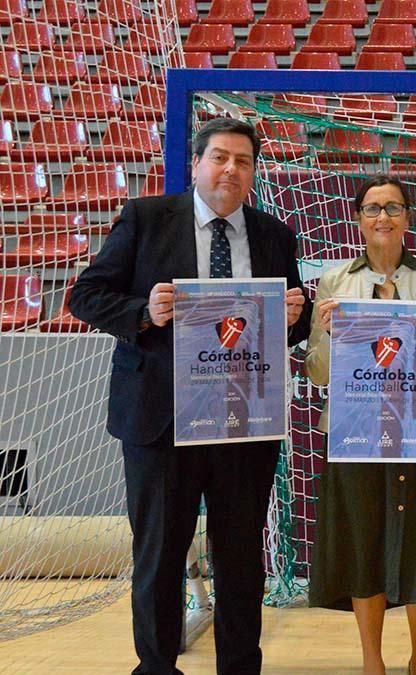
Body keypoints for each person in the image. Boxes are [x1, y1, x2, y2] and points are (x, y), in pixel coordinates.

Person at [68, 117, 310, 675]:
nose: (231, 169)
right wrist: (143, 312)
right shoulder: (146, 218)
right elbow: (85, 295)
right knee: (159, 557)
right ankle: (156, 667)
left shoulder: (274, 234)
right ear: (196, 164)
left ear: (253, 172)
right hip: (161, 420)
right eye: (220, 157)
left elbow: (284, 325)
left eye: (243, 161)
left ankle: (240, 668)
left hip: (243, 422)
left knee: (241, 560)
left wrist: (295, 317)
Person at [304, 175, 416, 675]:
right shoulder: (334, 281)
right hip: (354, 433)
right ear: (358, 218)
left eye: (393, 207)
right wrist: (327, 335)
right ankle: (372, 661)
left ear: (408, 218)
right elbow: (317, 371)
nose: (383, 217)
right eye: (373, 208)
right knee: (364, 544)